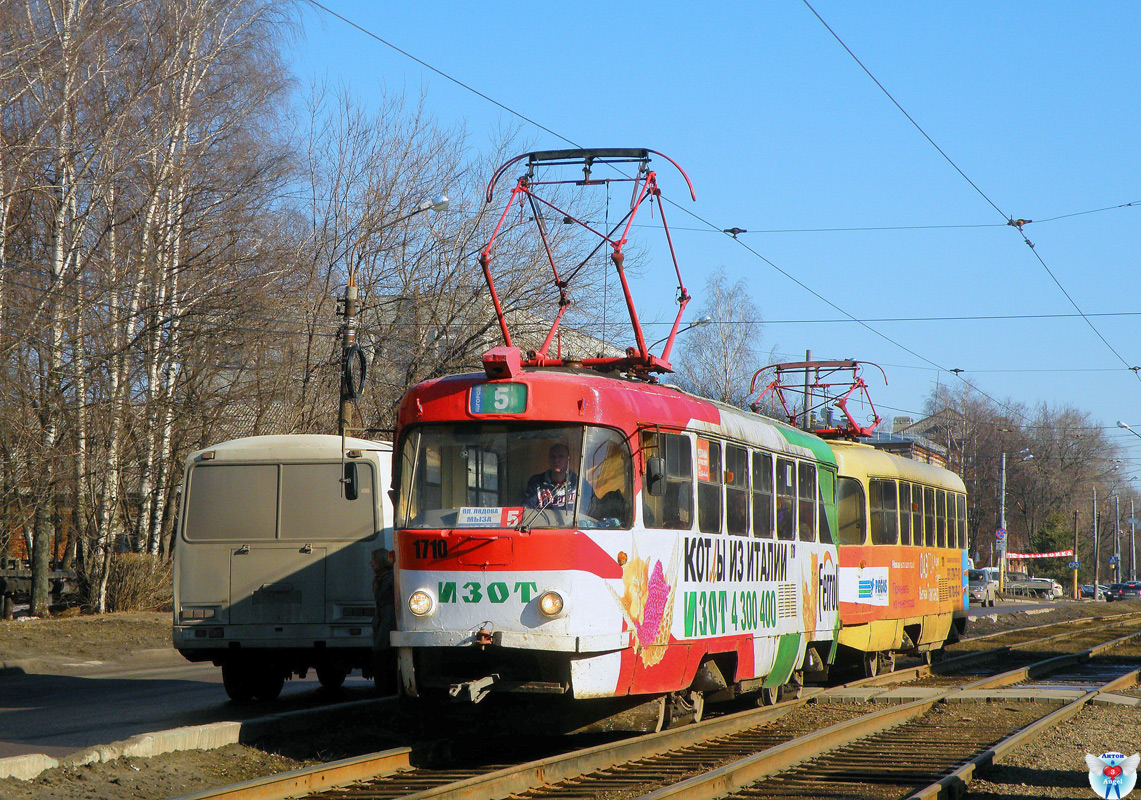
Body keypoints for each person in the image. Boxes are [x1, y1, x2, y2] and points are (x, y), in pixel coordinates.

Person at [524, 442, 583, 510]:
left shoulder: (579, 483)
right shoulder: (536, 483)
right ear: (549, 460)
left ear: (568, 460)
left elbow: (590, 510)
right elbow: (527, 509)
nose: (556, 460)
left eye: (560, 456)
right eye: (553, 457)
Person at [370, 547, 397, 695]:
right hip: (381, 620)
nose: (371, 563)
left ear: (381, 561)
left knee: (383, 654)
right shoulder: (379, 578)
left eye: (374, 560)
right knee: (381, 653)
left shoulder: (391, 578)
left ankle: (385, 689)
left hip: (389, 620)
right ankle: (383, 687)